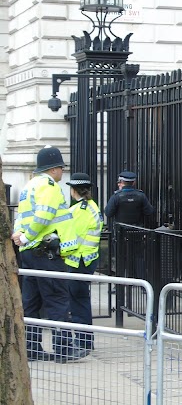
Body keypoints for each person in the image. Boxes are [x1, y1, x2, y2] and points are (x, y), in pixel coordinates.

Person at [11, 145, 88, 362]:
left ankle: (33, 349)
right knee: (57, 300)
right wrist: (27, 236)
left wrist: (21, 236)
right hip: (46, 253)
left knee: (32, 303)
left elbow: (22, 215)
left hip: (29, 254)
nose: (62, 172)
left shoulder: (29, 186)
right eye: (61, 168)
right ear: (53, 169)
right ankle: (64, 349)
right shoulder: (50, 186)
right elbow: (44, 215)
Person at [66, 172, 104, 351]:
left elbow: (74, 238)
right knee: (81, 299)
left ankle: (83, 341)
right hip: (87, 260)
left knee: (78, 301)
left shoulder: (78, 211)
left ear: (74, 190)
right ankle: (86, 340)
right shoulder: (92, 207)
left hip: (77, 261)